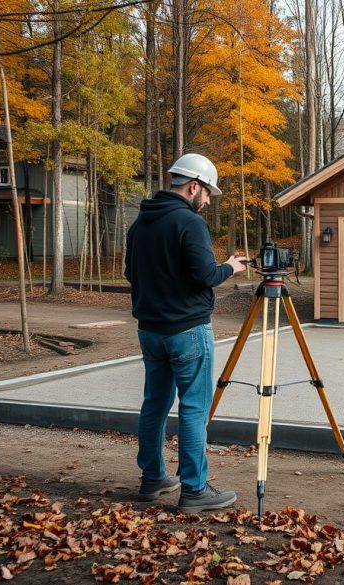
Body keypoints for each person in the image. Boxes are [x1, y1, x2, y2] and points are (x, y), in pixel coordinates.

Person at [125, 153, 248, 513]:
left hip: (150, 331)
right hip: (188, 331)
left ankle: (153, 478)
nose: (208, 201)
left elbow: (131, 273)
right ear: (193, 186)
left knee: (155, 405)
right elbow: (205, 275)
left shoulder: (140, 223)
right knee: (194, 409)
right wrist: (229, 267)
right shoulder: (189, 223)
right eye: (207, 193)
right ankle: (194, 490)